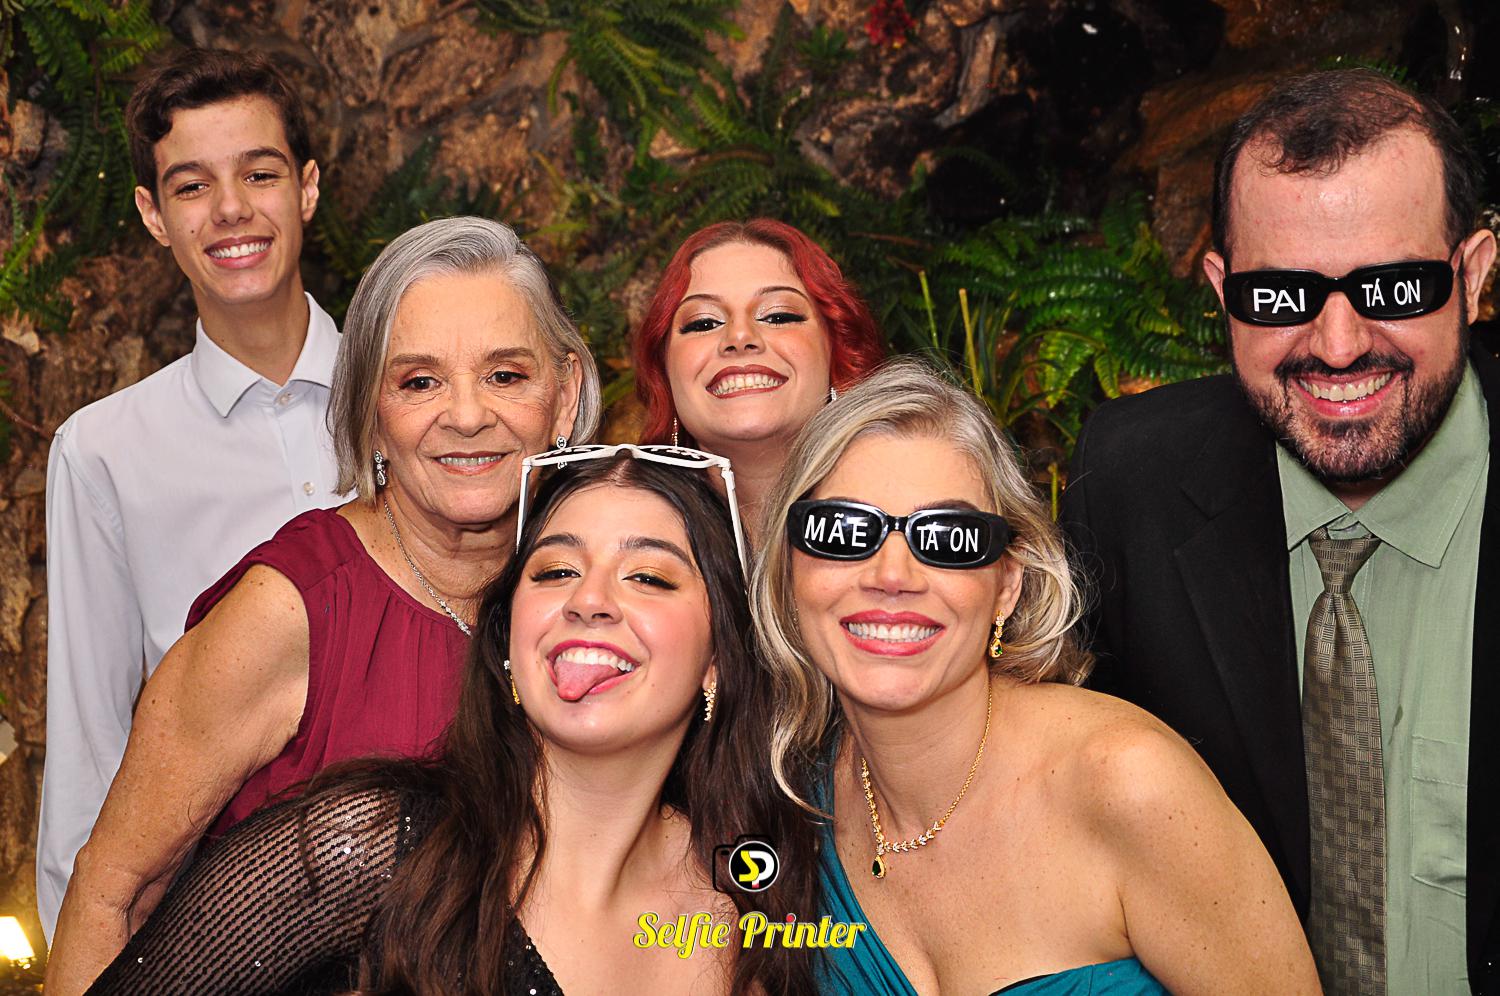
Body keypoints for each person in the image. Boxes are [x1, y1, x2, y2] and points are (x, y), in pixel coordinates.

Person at [44, 216, 601, 995]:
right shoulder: (292, 611)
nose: (468, 415)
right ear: (370, 410)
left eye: (506, 375)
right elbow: (113, 892)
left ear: (564, 396)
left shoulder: (600, 597)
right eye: (419, 382)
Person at [1059, 69, 1500, 994]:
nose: (1338, 345)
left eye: (1393, 287)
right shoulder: (1131, 480)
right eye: (1280, 297)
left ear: (1472, 275)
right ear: (1222, 290)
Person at [83, 450, 821, 996]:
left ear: (717, 661)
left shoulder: (751, 909)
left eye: (649, 576)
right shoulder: (356, 850)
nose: (589, 600)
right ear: (507, 646)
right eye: (555, 571)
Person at [753, 359, 1319, 994]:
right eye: (844, 532)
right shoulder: (785, 798)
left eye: (948, 538)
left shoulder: (1128, 783)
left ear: (1008, 584)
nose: (892, 576)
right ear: (789, 569)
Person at [38, 47, 341, 941]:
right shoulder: (104, 452)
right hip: (222, 929)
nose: (231, 209)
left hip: (440, 908)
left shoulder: (419, 402)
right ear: (153, 215)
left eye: (260, 173)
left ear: (307, 189)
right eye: (192, 185)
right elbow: (91, 748)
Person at [632, 219, 885, 535]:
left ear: (838, 354)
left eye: (778, 316)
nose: (739, 336)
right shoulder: (619, 533)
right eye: (704, 323)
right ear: (664, 371)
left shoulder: (908, 516)